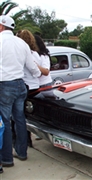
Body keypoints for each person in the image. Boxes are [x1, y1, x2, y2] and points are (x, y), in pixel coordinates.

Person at [0, 15, 41, 173]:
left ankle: (6, 158)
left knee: (4, 122)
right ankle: (22, 152)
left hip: (4, 85)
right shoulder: (22, 43)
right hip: (20, 85)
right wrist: (38, 74)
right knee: (19, 119)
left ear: (1, 27)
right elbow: (33, 68)